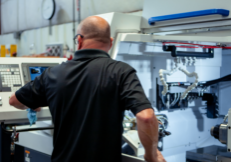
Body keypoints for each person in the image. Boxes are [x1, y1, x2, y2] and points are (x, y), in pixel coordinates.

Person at [9, 16, 166, 162]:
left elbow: (15, 100)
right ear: (110, 42)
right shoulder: (121, 71)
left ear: (79, 40)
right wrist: (151, 155)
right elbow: (146, 117)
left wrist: (32, 104)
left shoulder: (52, 73)